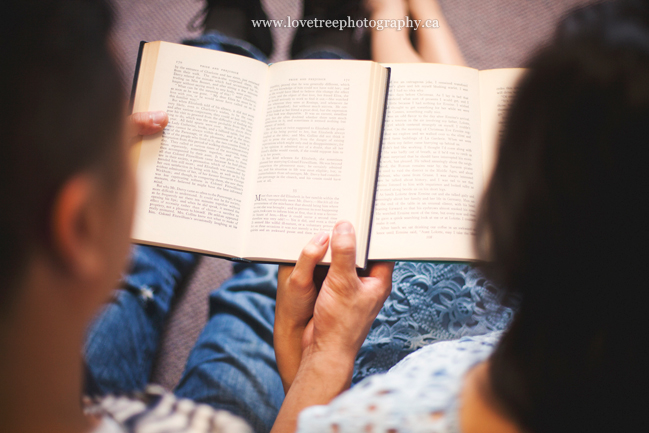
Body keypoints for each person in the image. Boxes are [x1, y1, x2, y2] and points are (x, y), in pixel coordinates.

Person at [270, 0, 649, 432]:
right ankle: (409, 19)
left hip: (378, 356)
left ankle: (386, 22)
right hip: (507, 334)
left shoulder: (392, 413)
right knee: (460, 122)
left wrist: (312, 361)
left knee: (255, 291)